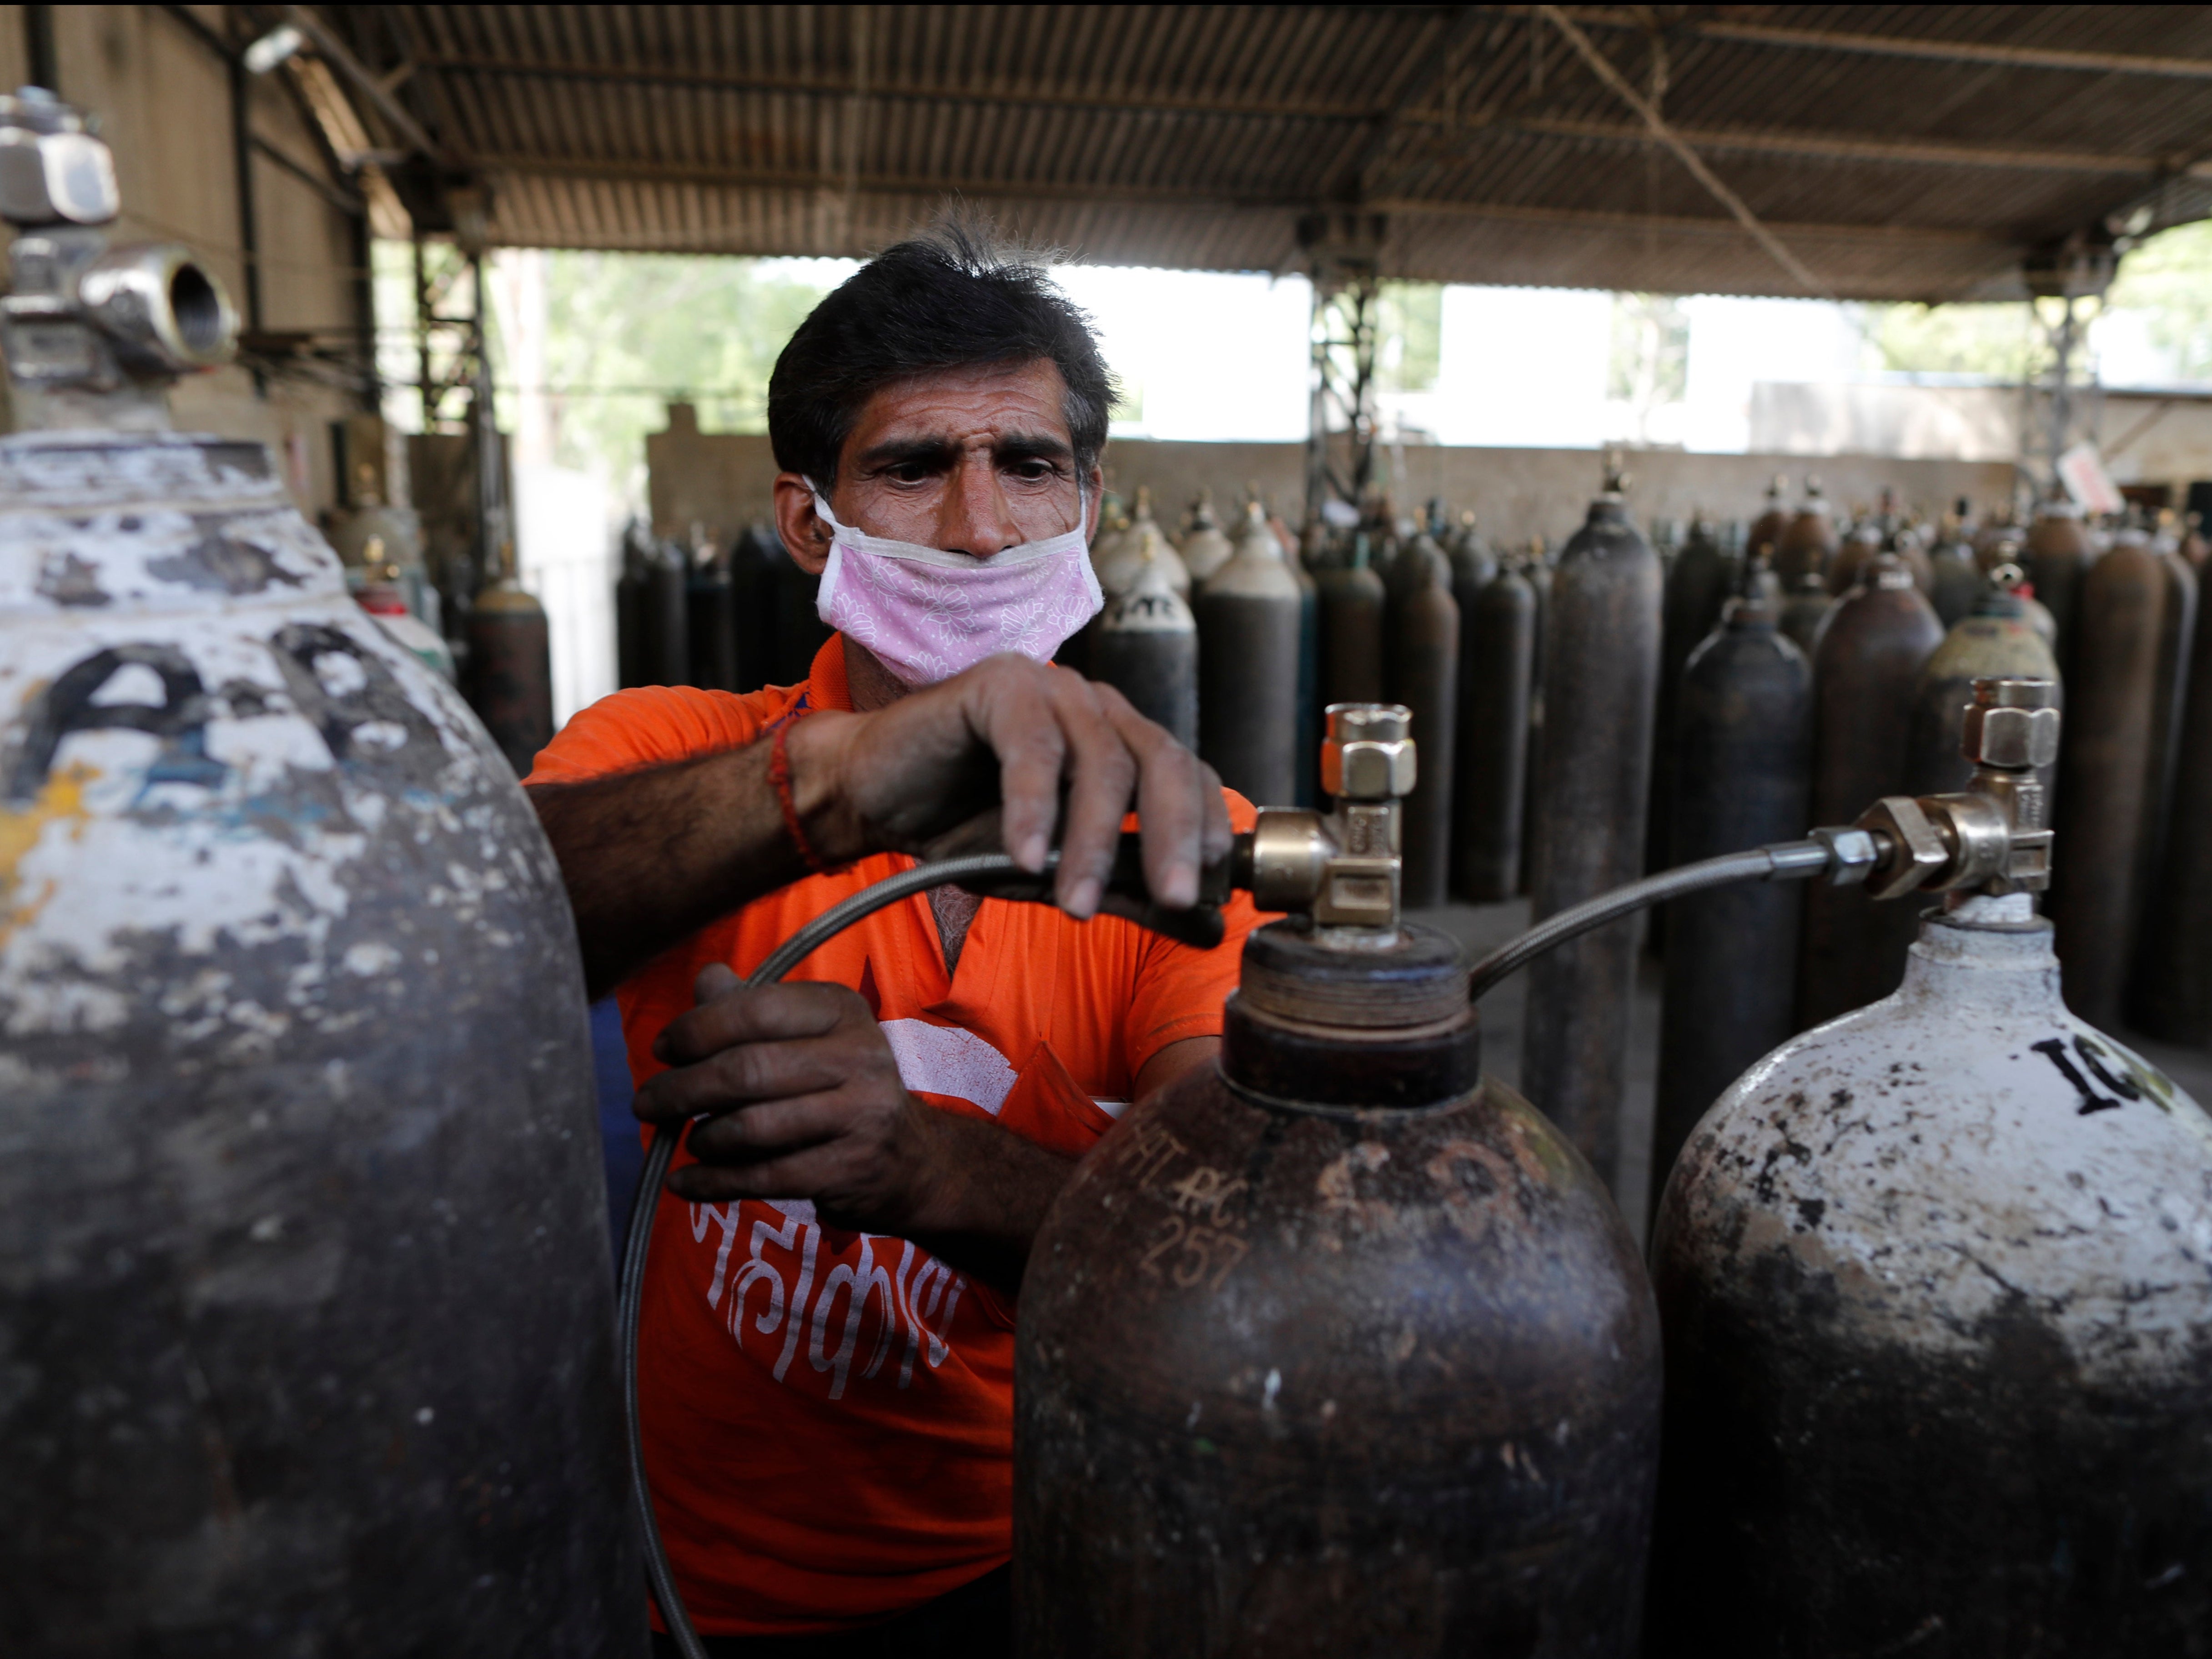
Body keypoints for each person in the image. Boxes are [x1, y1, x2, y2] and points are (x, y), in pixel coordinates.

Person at [525, 229, 1265, 1657]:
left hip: (1036, 1556)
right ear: (812, 524)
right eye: (916, 468)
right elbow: (477, 924)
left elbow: (1234, 1260)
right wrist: (842, 776)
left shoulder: (1186, 841)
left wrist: (933, 1165)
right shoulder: (673, 754)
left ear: (1089, 506)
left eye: (1031, 466)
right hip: (702, 1589)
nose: (984, 524)